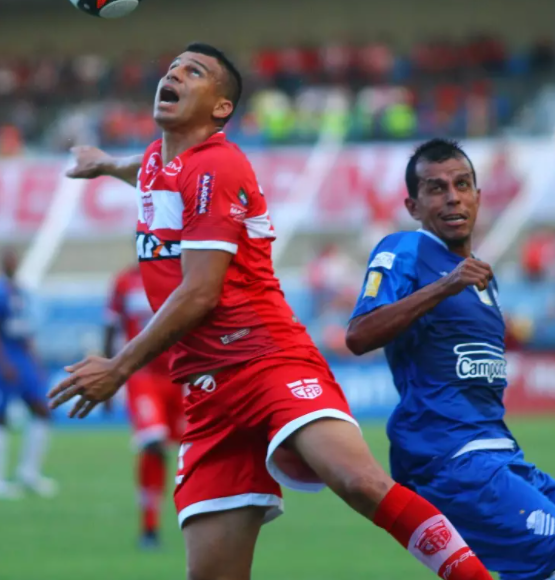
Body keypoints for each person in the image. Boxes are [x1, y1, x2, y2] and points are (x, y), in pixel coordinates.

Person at [49, 43, 491, 580]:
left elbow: (199, 293)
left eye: (195, 72)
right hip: (209, 393)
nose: (175, 75)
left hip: (267, 359)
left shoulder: (218, 165)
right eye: (172, 69)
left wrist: (119, 367)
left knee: (357, 481)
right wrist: (102, 165)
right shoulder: (155, 164)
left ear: (221, 108)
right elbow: (141, 169)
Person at [345, 138, 555, 580]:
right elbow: (359, 335)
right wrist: (444, 286)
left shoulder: (480, 276)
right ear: (413, 205)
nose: (452, 197)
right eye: (436, 188)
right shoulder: (405, 250)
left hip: (499, 451)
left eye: (462, 184)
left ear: (478, 196)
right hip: (450, 457)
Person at [104, 263, 185, 548]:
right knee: (153, 443)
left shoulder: (181, 274)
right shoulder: (124, 281)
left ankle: (207, 516)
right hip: (143, 375)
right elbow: (110, 326)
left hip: (181, 373)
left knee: (197, 445)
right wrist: (110, 375)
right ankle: (149, 526)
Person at [0, 248, 57, 499]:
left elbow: (26, 330)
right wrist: (1, 362)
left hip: (22, 357)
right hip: (3, 356)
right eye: (9, 259)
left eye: (15, 259)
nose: (13, 263)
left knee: (42, 410)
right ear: (2, 263)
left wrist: (35, 362)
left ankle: (28, 473)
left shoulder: (20, 291)